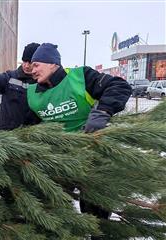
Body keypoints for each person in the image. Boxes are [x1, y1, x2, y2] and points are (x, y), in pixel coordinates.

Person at [28, 43, 132, 239]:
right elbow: (28, 126)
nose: (32, 71)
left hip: (91, 153)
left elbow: (119, 86)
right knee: (54, 207)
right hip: (59, 160)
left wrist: (103, 111)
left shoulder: (81, 77)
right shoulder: (33, 94)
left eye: (36, 65)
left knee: (95, 209)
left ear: (52, 64)